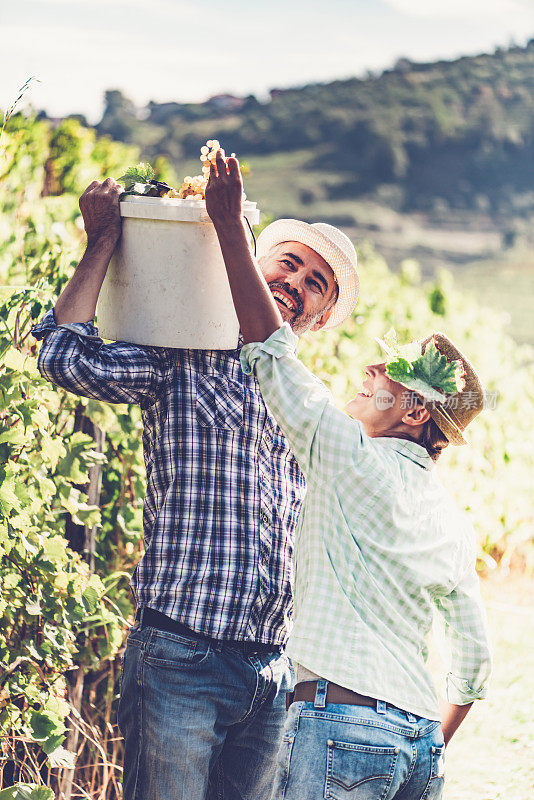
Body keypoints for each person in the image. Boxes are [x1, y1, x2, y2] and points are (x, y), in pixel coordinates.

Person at [31, 176, 359, 800]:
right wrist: (102, 240)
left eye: (316, 283)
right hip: (181, 656)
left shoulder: (306, 403)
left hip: (270, 668)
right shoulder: (180, 354)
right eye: (288, 265)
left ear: (318, 318)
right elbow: (61, 355)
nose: (295, 283)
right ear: (251, 266)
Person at [205, 152, 492, 800]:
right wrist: (420, 747)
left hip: (337, 728)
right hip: (419, 746)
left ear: (415, 411)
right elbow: (474, 666)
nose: (366, 373)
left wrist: (229, 230)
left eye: (385, 373)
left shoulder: (352, 462)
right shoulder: (450, 520)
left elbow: (273, 358)